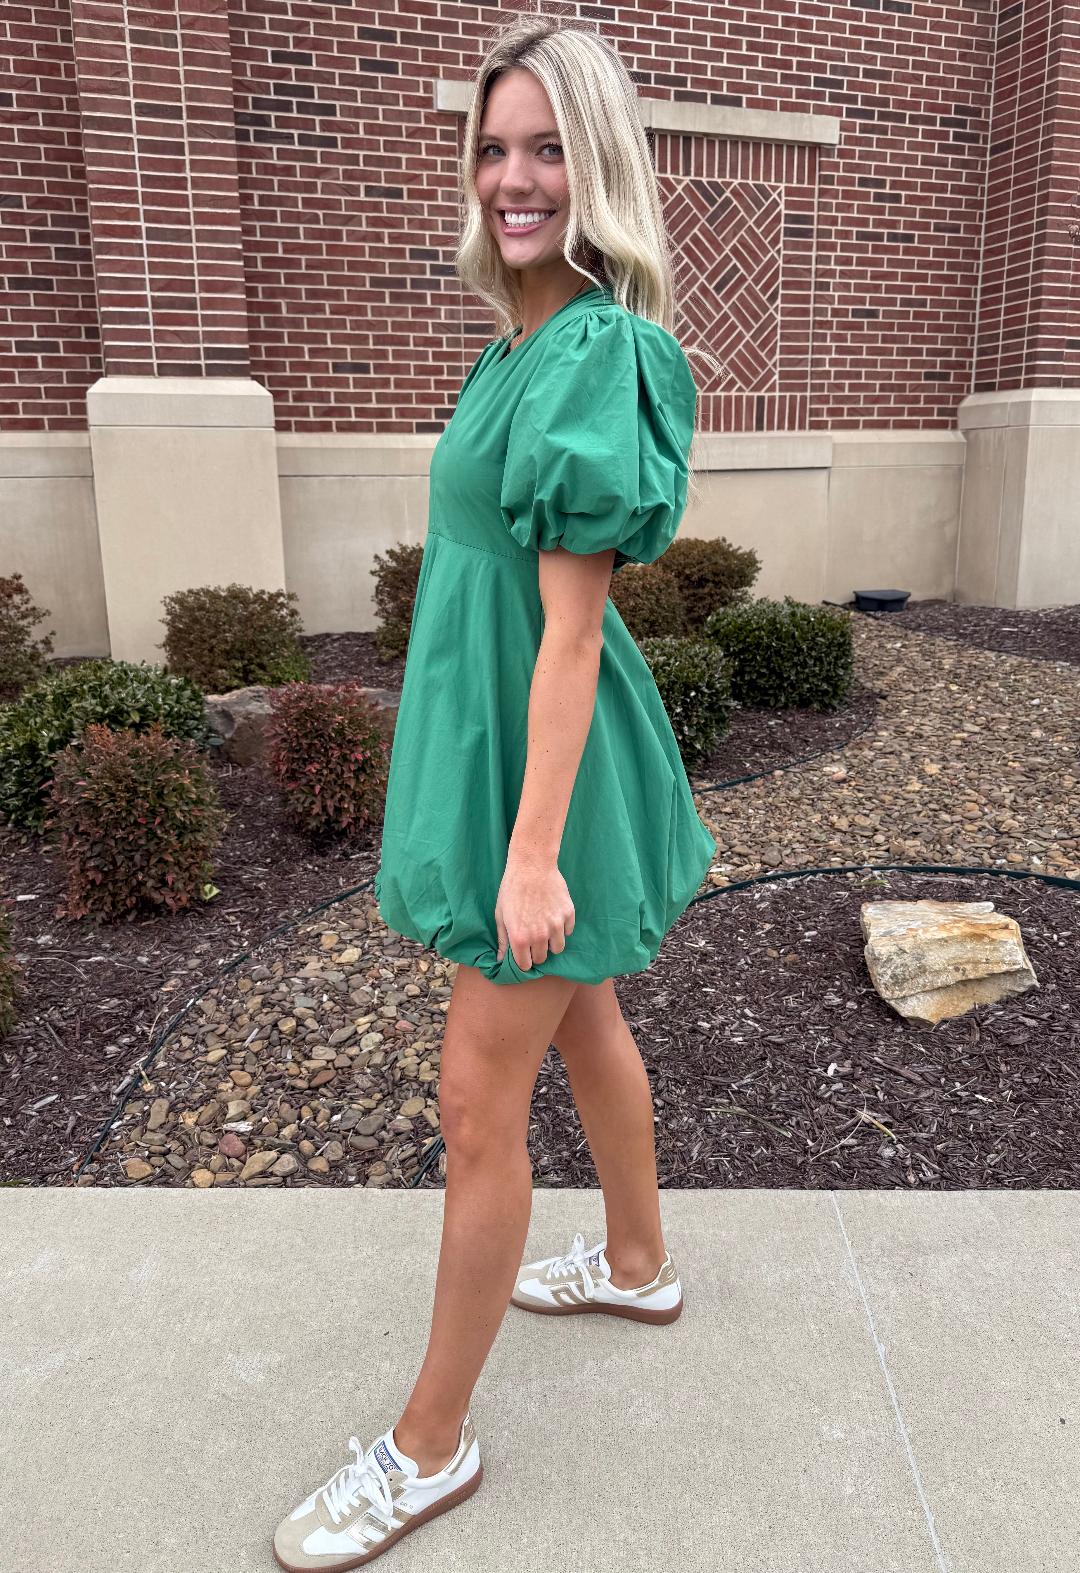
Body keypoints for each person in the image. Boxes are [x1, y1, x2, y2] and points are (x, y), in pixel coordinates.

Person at [273, 12, 717, 1570]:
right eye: (494, 148)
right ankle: (641, 1260)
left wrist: (531, 858)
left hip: (549, 770)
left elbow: (575, 634)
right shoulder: (517, 339)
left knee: (477, 1106)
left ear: (598, 168)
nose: (514, 178)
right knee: (586, 1017)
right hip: (507, 740)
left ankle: (426, 1446)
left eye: (548, 150)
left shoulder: (596, 348)